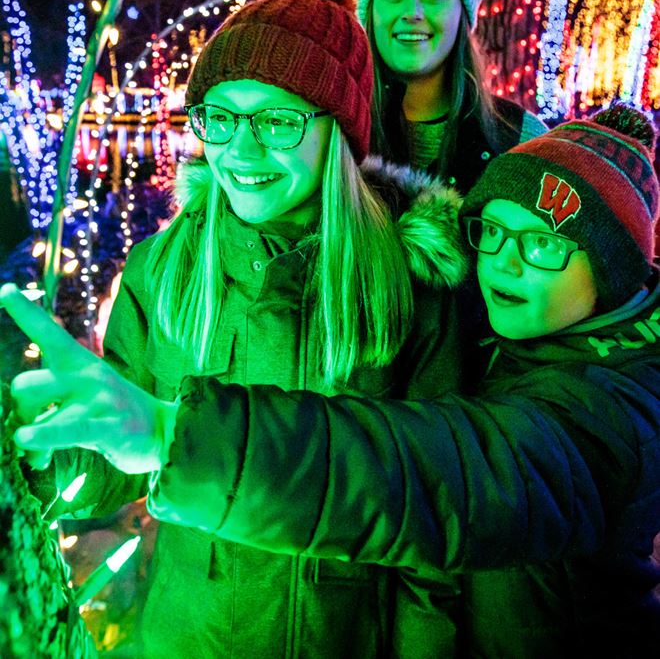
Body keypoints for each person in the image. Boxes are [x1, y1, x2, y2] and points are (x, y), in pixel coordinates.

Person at [6, 103, 660, 658]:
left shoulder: (614, 414)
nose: (506, 264)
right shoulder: (513, 344)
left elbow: (431, 470)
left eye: (544, 242)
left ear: (613, 271)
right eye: (491, 231)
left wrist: (173, 433)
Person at [5, 0, 470, 658]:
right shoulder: (165, 270)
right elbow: (123, 458)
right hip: (189, 633)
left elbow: (431, 529)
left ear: (337, 129)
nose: (242, 148)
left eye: (279, 120)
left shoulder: (411, 288)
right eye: (220, 116)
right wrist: (46, 450)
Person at [356, 0, 547, 193]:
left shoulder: (521, 138)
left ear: (463, 15)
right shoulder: (333, 129)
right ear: (371, 14)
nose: (412, 12)